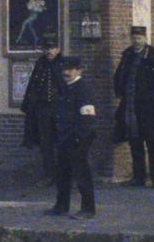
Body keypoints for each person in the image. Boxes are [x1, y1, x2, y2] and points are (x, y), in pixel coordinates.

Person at [113, 24, 154, 187]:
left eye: (139, 38)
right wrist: (120, 91)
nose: (136, 41)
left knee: (152, 143)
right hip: (131, 108)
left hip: (151, 109)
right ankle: (138, 177)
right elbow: (119, 76)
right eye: (134, 38)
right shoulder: (127, 56)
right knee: (135, 143)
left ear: (145, 39)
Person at [46, 55, 100, 216]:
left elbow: (88, 116)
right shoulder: (65, 88)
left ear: (79, 71)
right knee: (63, 173)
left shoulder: (83, 89)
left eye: (70, 70)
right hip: (65, 137)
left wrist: (79, 137)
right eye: (64, 69)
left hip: (78, 138)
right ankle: (61, 205)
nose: (66, 72)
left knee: (81, 173)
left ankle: (88, 208)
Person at [20, 41, 67, 183]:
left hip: (59, 109)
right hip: (43, 109)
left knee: (62, 142)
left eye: (52, 48)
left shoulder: (63, 64)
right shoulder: (40, 64)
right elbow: (33, 85)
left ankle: (63, 175)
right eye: (47, 48)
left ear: (58, 49)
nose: (49, 52)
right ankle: (49, 174)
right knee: (45, 142)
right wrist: (29, 105)